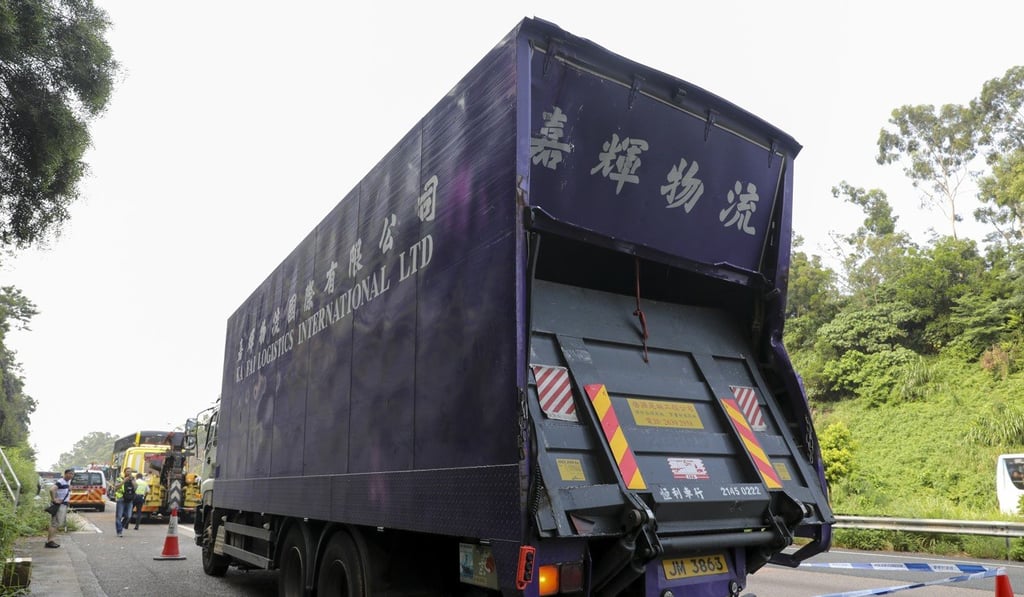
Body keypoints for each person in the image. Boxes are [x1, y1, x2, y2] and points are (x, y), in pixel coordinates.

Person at [45, 468, 74, 548]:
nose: (71, 475)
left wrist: (68, 489)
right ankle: (50, 541)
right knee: (54, 523)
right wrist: (54, 499)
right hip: (59, 505)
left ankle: (51, 540)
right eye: (70, 474)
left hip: (63, 505)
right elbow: (52, 489)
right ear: (65, 474)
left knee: (56, 523)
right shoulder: (61, 481)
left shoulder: (66, 482)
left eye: (72, 474)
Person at [114, 468, 136, 537]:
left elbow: (135, 488)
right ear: (124, 472)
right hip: (121, 499)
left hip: (129, 500)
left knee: (128, 516)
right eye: (127, 471)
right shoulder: (119, 479)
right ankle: (119, 531)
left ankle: (121, 526)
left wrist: (132, 481)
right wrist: (124, 481)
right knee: (119, 516)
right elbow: (116, 487)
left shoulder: (133, 479)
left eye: (130, 471)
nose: (129, 473)